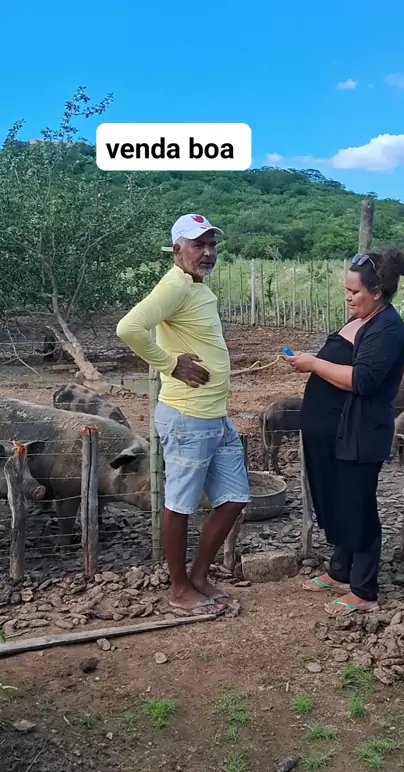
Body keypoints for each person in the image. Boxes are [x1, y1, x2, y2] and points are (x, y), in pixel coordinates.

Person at [116, 214, 250, 616]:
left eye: (212, 245)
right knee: (180, 504)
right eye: (198, 245)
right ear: (177, 250)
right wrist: (170, 364)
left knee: (234, 497)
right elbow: (129, 327)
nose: (208, 253)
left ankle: (198, 577)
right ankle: (178, 589)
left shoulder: (194, 286)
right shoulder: (174, 285)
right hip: (189, 416)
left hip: (214, 415)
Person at [284, 247, 404, 617]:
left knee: (359, 506)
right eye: (347, 290)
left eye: (355, 291)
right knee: (339, 500)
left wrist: (313, 364)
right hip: (336, 431)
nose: (348, 297)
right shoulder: (363, 320)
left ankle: (364, 590)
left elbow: (362, 380)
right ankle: (341, 571)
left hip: (361, 432)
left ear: (377, 291)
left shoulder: (388, 328)